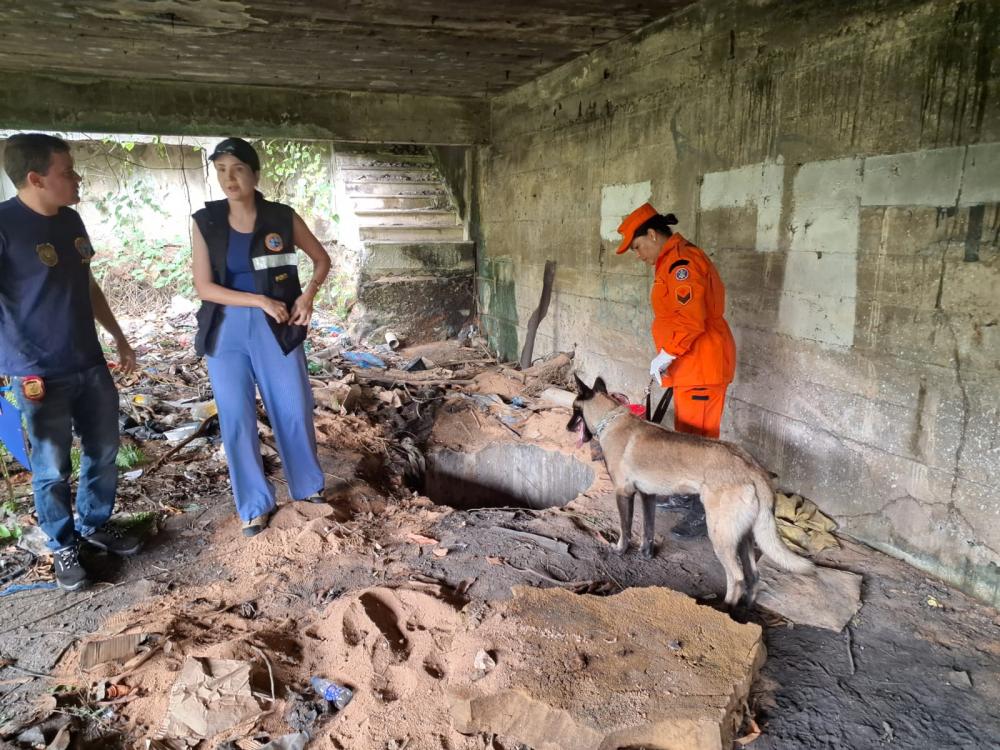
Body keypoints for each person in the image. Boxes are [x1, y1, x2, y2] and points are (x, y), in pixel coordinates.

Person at [0, 133, 140, 591]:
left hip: (88, 360)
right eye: (67, 171)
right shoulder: (4, 226)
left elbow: (87, 283)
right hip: (36, 370)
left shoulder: (71, 218)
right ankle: (63, 544)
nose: (77, 178)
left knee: (103, 449)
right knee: (50, 466)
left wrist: (118, 337)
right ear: (36, 178)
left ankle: (94, 523)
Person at [191, 137, 331, 537]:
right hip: (226, 330)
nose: (228, 178)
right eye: (220, 170)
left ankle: (308, 490)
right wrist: (258, 300)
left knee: (293, 406)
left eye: (236, 169)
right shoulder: (207, 222)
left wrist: (308, 296)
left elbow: (321, 259)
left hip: (279, 326)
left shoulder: (281, 217)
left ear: (254, 173)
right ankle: (254, 505)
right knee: (236, 417)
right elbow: (204, 286)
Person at [615, 202, 736, 538]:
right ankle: (688, 495)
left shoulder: (683, 263)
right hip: (690, 364)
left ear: (652, 234)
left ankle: (705, 508)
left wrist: (668, 352)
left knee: (700, 441)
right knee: (687, 436)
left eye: (638, 246)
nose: (639, 255)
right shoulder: (669, 262)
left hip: (701, 362)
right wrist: (669, 356)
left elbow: (690, 319)